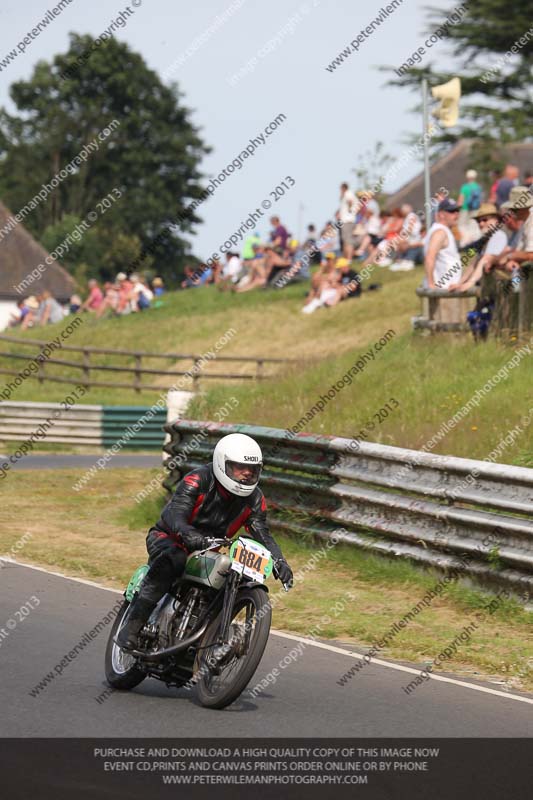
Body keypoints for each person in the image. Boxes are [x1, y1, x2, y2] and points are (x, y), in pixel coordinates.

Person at [117, 434, 293, 651]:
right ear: (222, 464)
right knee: (175, 558)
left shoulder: (255, 499)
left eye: (252, 469)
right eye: (239, 467)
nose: (247, 474)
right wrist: (188, 534)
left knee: (234, 576)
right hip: (168, 538)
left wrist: (279, 560)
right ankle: (133, 627)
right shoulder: (197, 480)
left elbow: (262, 533)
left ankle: (205, 635)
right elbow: (173, 514)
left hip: (210, 549)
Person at [450, 203, 507, 291]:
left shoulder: (498, 236)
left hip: (499, 290)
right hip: (490, 288)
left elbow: (485, 260)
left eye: (485, 220)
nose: (481, 224)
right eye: (478, 221)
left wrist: (470, 283)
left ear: (496, 220)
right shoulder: (485, 240)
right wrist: (459, 283)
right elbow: (474, 264)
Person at [423, 198, 462, 289]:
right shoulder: (440, 232)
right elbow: (430, 257)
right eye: (451, 211)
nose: (456, 214)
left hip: (447, 289)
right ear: (441, 215)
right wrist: (431, 285)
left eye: (457, 211)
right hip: (443, 291)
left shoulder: (442, 231)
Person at [338, 182, 357, 261]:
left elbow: (350, 202)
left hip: (348, 220)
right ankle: (346, 258)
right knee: (345, 240)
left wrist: (349, 210)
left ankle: (349, 258)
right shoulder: (346, 194)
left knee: (348, 240)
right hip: (345, 220)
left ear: (343, 188)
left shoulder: (348, 194)